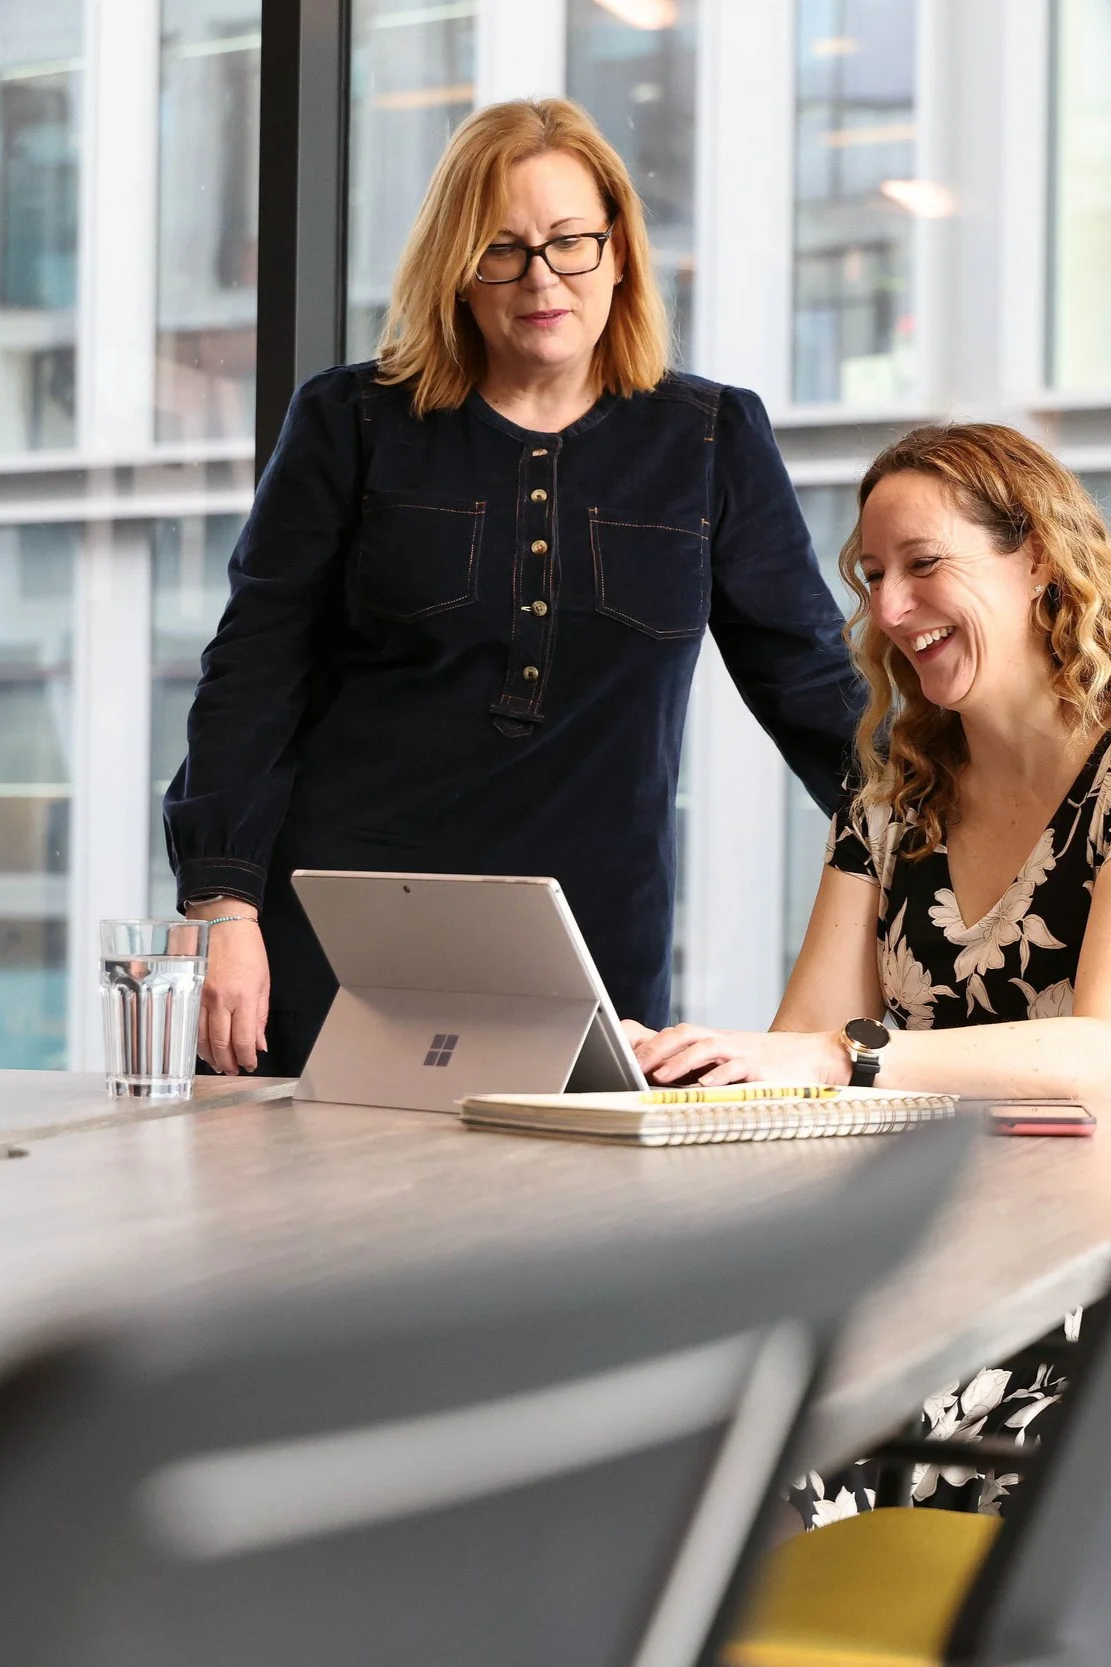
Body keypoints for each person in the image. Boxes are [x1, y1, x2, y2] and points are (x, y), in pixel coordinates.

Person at [164, 96, 860, 1079]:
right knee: (310, 1227)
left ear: (618, 252)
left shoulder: (709, 438)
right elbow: (252, 671)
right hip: (340, 938)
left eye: (570, 241)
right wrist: (221, 909)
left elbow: (816, 689)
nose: (542, 276)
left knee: (558, 1226)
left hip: (591, 947)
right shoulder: (350, 420)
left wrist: (984, 828)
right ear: (457, 265)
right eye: (502, 247)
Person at [627, 420, 1111, 1519]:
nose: (889, 611)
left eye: (923, 565)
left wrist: (837, 1055)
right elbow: (804, 1051)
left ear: (1035, 554)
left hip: (1068, 1284)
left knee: (753, 1471)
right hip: (921, 1255)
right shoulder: (894, 789)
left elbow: (1098, 1056)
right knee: (656, 1429)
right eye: (873, 576)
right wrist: (707, 1074)